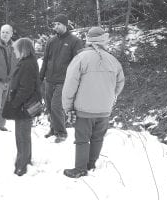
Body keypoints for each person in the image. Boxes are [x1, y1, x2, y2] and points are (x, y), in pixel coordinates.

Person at [62, 27, 125, 178]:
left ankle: (80, 169)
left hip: (84, 109)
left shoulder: (81, 58)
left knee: (82, 139)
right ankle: (91, 164)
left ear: (88, 40)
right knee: (97, 137)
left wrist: (68, 106)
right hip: (104, 110)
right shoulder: (113, 60)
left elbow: (70, 84)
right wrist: (110, 96)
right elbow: (120, 83)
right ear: (104, 40)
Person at [40, 14, 83, 143]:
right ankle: (53, 128)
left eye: (59, 24)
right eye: (55, 24)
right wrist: (40, 77)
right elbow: (45, 60)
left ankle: (62, 133)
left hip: (64, 81)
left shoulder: (75, 41)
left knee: (56, 106)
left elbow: (79, 62)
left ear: (65, 25)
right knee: (49, 106)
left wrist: (78, 80)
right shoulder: (51, 41)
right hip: (49, 80)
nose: (56, 26)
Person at [3, 38, 41, 176]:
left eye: (15, 48)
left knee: (22, 136)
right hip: (25, 105)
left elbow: (25, 89)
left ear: (22, 49)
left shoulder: (27, 64)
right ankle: (26, 160)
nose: (14, 51)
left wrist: (14, 104)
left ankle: (22, 165)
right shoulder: (28, 62)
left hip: (24, 106)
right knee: (24, 135)